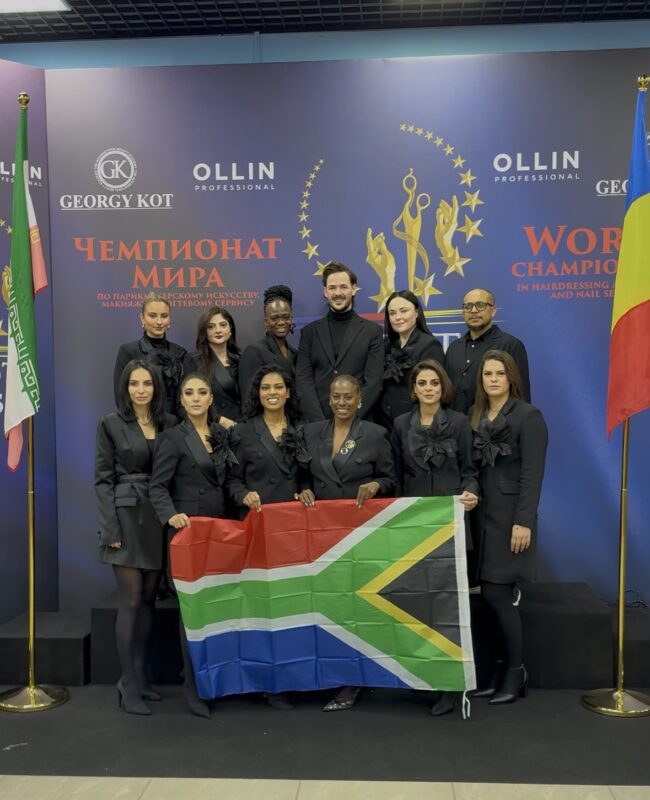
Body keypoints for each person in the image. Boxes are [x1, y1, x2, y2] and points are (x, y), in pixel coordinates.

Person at [390, 359, 479, 716]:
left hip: (450, 526)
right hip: (415, 528)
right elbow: (396, 477)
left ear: (443, 388)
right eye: (422, 383)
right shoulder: (400, 424)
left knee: (448, 608)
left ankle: (450, 687)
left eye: (434, 383)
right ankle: (424, 677)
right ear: (413, 389)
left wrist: (471, 492)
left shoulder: (459, 423)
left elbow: (471, 471)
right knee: (418, 607)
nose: (428, 389)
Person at [302, 375, 395, 711]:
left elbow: (391, 478)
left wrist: (376, 485)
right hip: (321, 535)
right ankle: (328, 673)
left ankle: (352, 680)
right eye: (336, 396)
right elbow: (301, 474)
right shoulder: (311, 433)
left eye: (348, 397)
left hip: (359, 534)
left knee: (353, 607)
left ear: (359, 400)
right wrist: (303, 488)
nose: (342, 402)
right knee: (326, 603)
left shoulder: (375, 434)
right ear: (329, 399)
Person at [149, 373, 235, 717]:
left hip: (220, 533)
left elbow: (229, 483)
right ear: (181, 400)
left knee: (217, 612)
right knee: (192, 616)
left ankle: (217, 682)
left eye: (202, 392)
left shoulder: (222, 434)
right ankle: (193, 689)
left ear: (211, 398)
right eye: (189, 393)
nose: (196, 398)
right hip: (188, 535)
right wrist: (170, 515)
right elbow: (157, 486)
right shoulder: (171, 438)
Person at [95, 359, 177, 715]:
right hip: (126, 517)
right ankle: (127, 683)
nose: (140, 390)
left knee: (147, 600)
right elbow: (102, 480)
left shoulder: (168, 423)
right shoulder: (110, 423)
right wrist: (110, 529)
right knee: (129, 600)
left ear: (156, 387)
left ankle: (141, 678)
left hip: (157, 516)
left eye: (147, 383)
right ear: (125, 388)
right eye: (134, 384)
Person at [227, 365, 311, 709]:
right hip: (258, 529)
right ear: (257, 393)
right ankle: (268, 683)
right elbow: (231, 480)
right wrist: (243, 495)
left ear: (288, 392)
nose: (272, 392)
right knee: (264, 608)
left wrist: (307, 489)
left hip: (293, 533)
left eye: (278, 387)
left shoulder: (303, 429)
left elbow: (308, 476)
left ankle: (294, 677)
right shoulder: (243, 431)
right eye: (265, 387)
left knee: (293, 606)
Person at [470, 349, 547, 705]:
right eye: (488, 374)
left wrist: (523, 521)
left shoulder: (528, 416)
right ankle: (499, 670)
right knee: (487, 597)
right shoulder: (475, 416)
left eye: (499, 373)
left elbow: (532, 474)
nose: (493, 380)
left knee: (499, 595)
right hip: (482, 519)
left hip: (510, 520)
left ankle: (517, 672)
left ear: (511, 377)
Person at [296, 262, 384, 421]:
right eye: (332, 288)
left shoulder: (372, 332)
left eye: (343, 287)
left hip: (359, 424)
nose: (338, 293)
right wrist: (319, 423)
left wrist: (350, 419)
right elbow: (303, 381)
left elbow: (373, 383)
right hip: (318, 423)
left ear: (354, 289)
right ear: (325, 292)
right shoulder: (309, 333)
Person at [445, 288, 530, 414]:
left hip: (495, 424)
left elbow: (521, 396)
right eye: (468, 306)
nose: (473, 310)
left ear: (493, 311)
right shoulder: (454, 348)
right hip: (456, 424)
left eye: (480, 305)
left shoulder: (511, 345)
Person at [378, 290, 445, 427]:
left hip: (414, 425)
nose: (398, 317)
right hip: (384, 424)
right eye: (392, 313)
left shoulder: (429, 345)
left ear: (417, 312)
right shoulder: (386, 346)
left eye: (404, 311)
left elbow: (432, 392)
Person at [113, 293, 187, 415]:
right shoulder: (128, 351)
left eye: (164, 316)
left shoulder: (180, 353)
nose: (159, 321)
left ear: (169, 319)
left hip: (175, 423)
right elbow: (121, 396)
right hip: (140, 422)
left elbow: (184, 397)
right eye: (152, 316)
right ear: (142, 318)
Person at [183, 306, 241, 429]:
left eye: (223, 325)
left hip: (241, 427)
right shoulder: (193, 360)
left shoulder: (241, 359)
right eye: (211, 327)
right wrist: (218, 419)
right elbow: (185, 401)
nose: (218, 330)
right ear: (204, 331)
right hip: (210, 427)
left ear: (230, 329)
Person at [238, 285, 298, 396]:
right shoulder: (254, 352)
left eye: (286, 317)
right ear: (266, 322)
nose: (281, 322)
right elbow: (248, 397)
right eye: (274, 318)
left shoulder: (295, 353)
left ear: (291, 319)